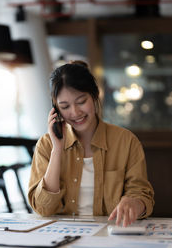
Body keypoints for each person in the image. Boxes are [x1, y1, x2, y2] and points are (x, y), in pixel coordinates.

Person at [28, 61, 154, 227]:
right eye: (64, 106)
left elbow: (142, 194)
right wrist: (57, 150)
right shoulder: (46, 144)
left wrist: (134, 203)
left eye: (81, 101)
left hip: (110, 236)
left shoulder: (126, 141)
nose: (75, 112)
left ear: (95, 95)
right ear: (56, 110)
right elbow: (43, 208)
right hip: (62, 236)